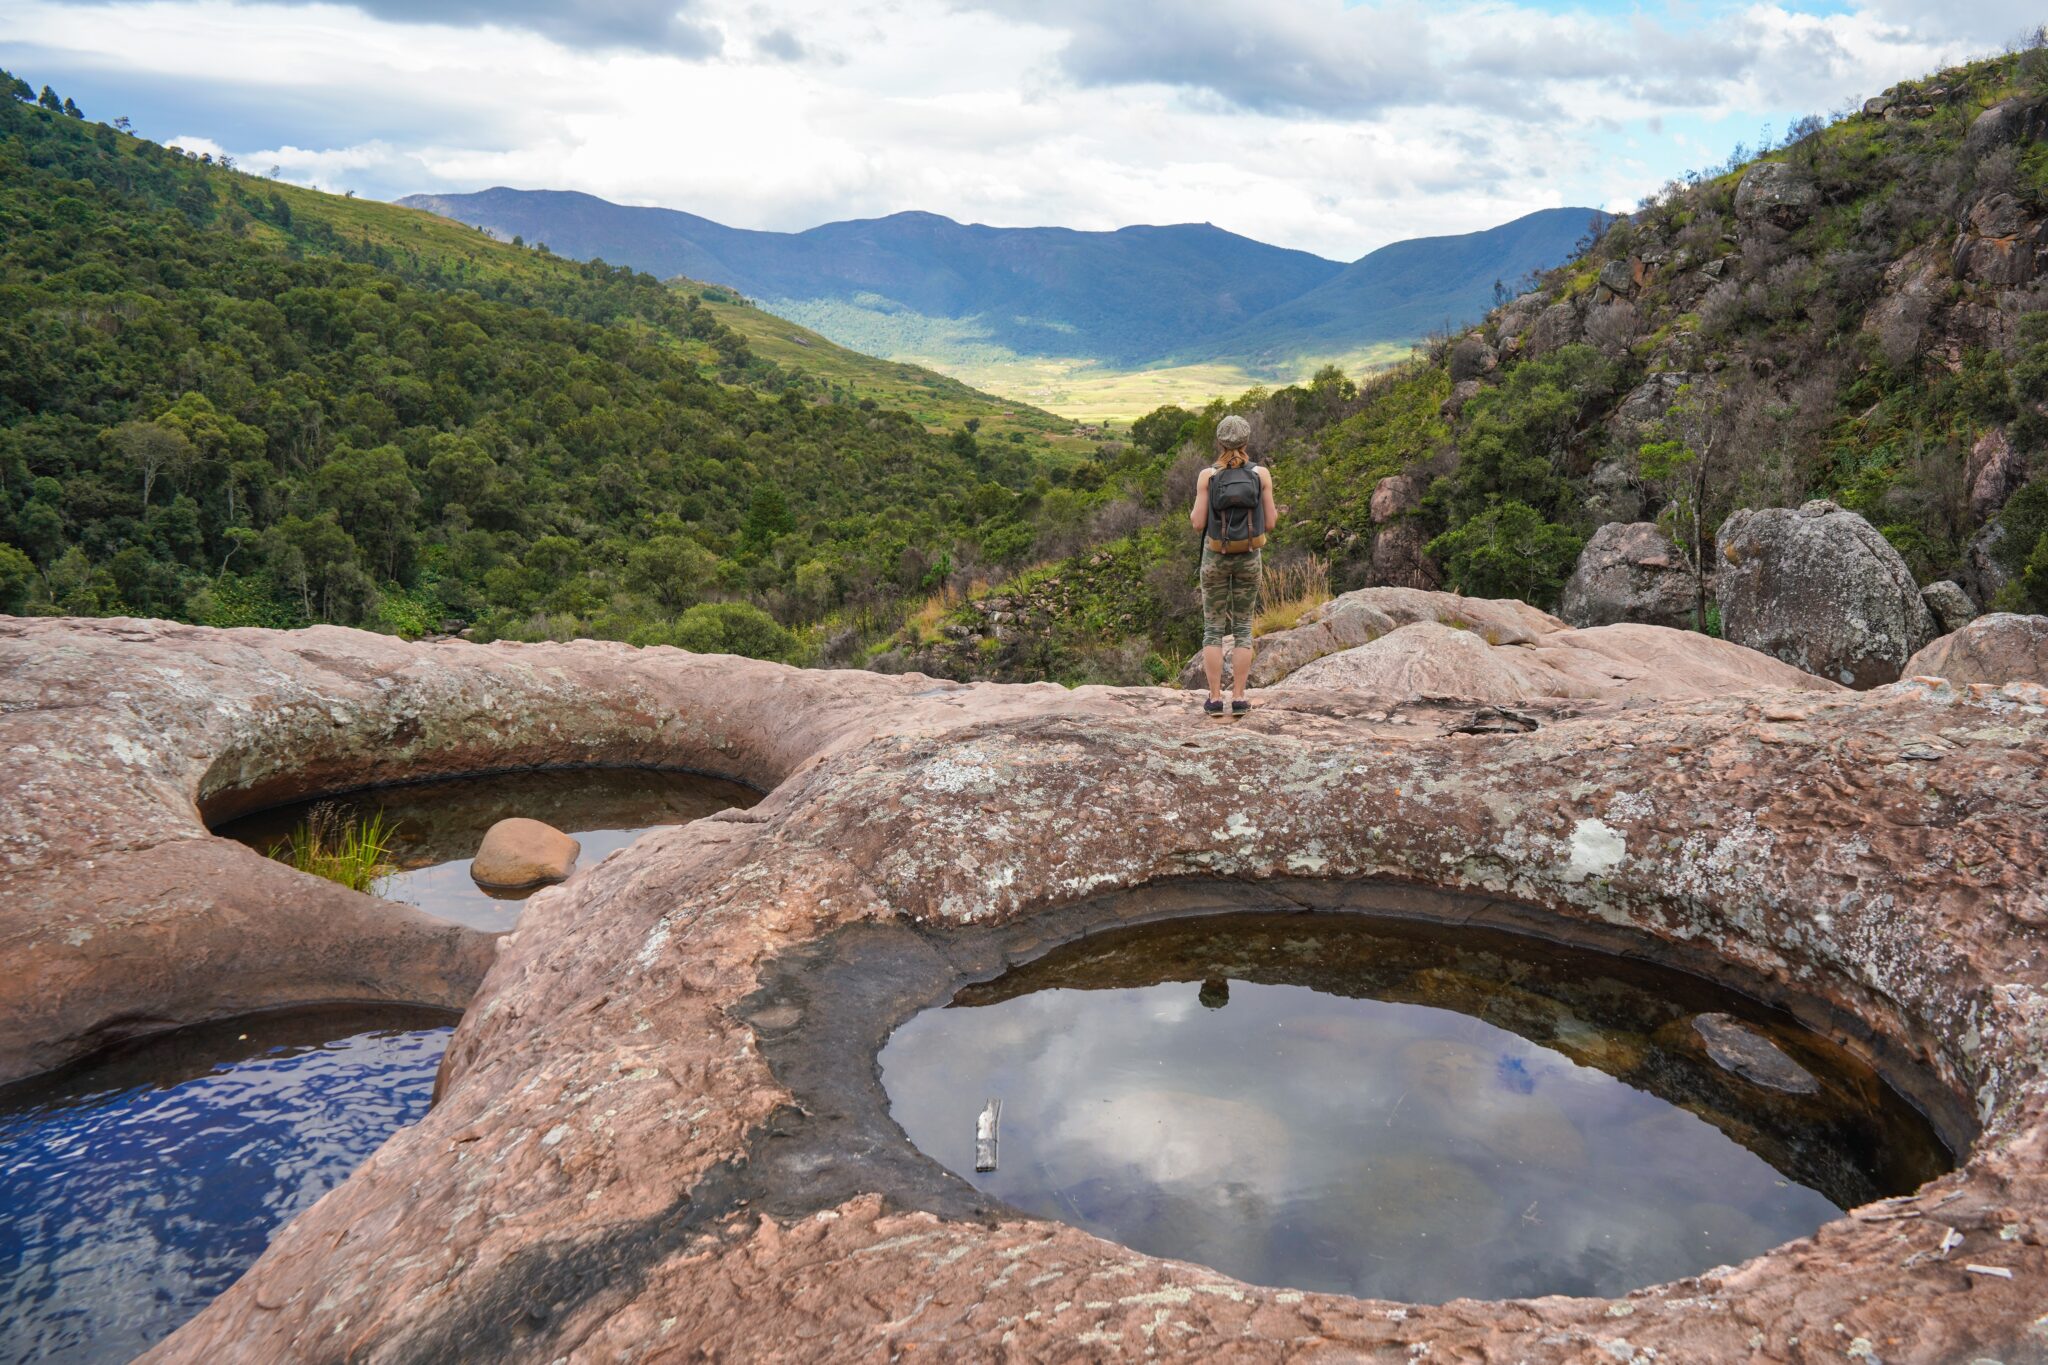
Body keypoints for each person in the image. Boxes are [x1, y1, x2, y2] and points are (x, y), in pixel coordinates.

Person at [1188, 414, 1277, 717]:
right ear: (1246, 441)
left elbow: (1198, 522)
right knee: (1242, 628)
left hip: (1215, 557)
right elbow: (1273, 520)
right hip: (1250, 557)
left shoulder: (1207, 476)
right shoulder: (1261, 474)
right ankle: (1239, 697)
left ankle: (1214, 700)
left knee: (1213, 629)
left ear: (1219, 441)